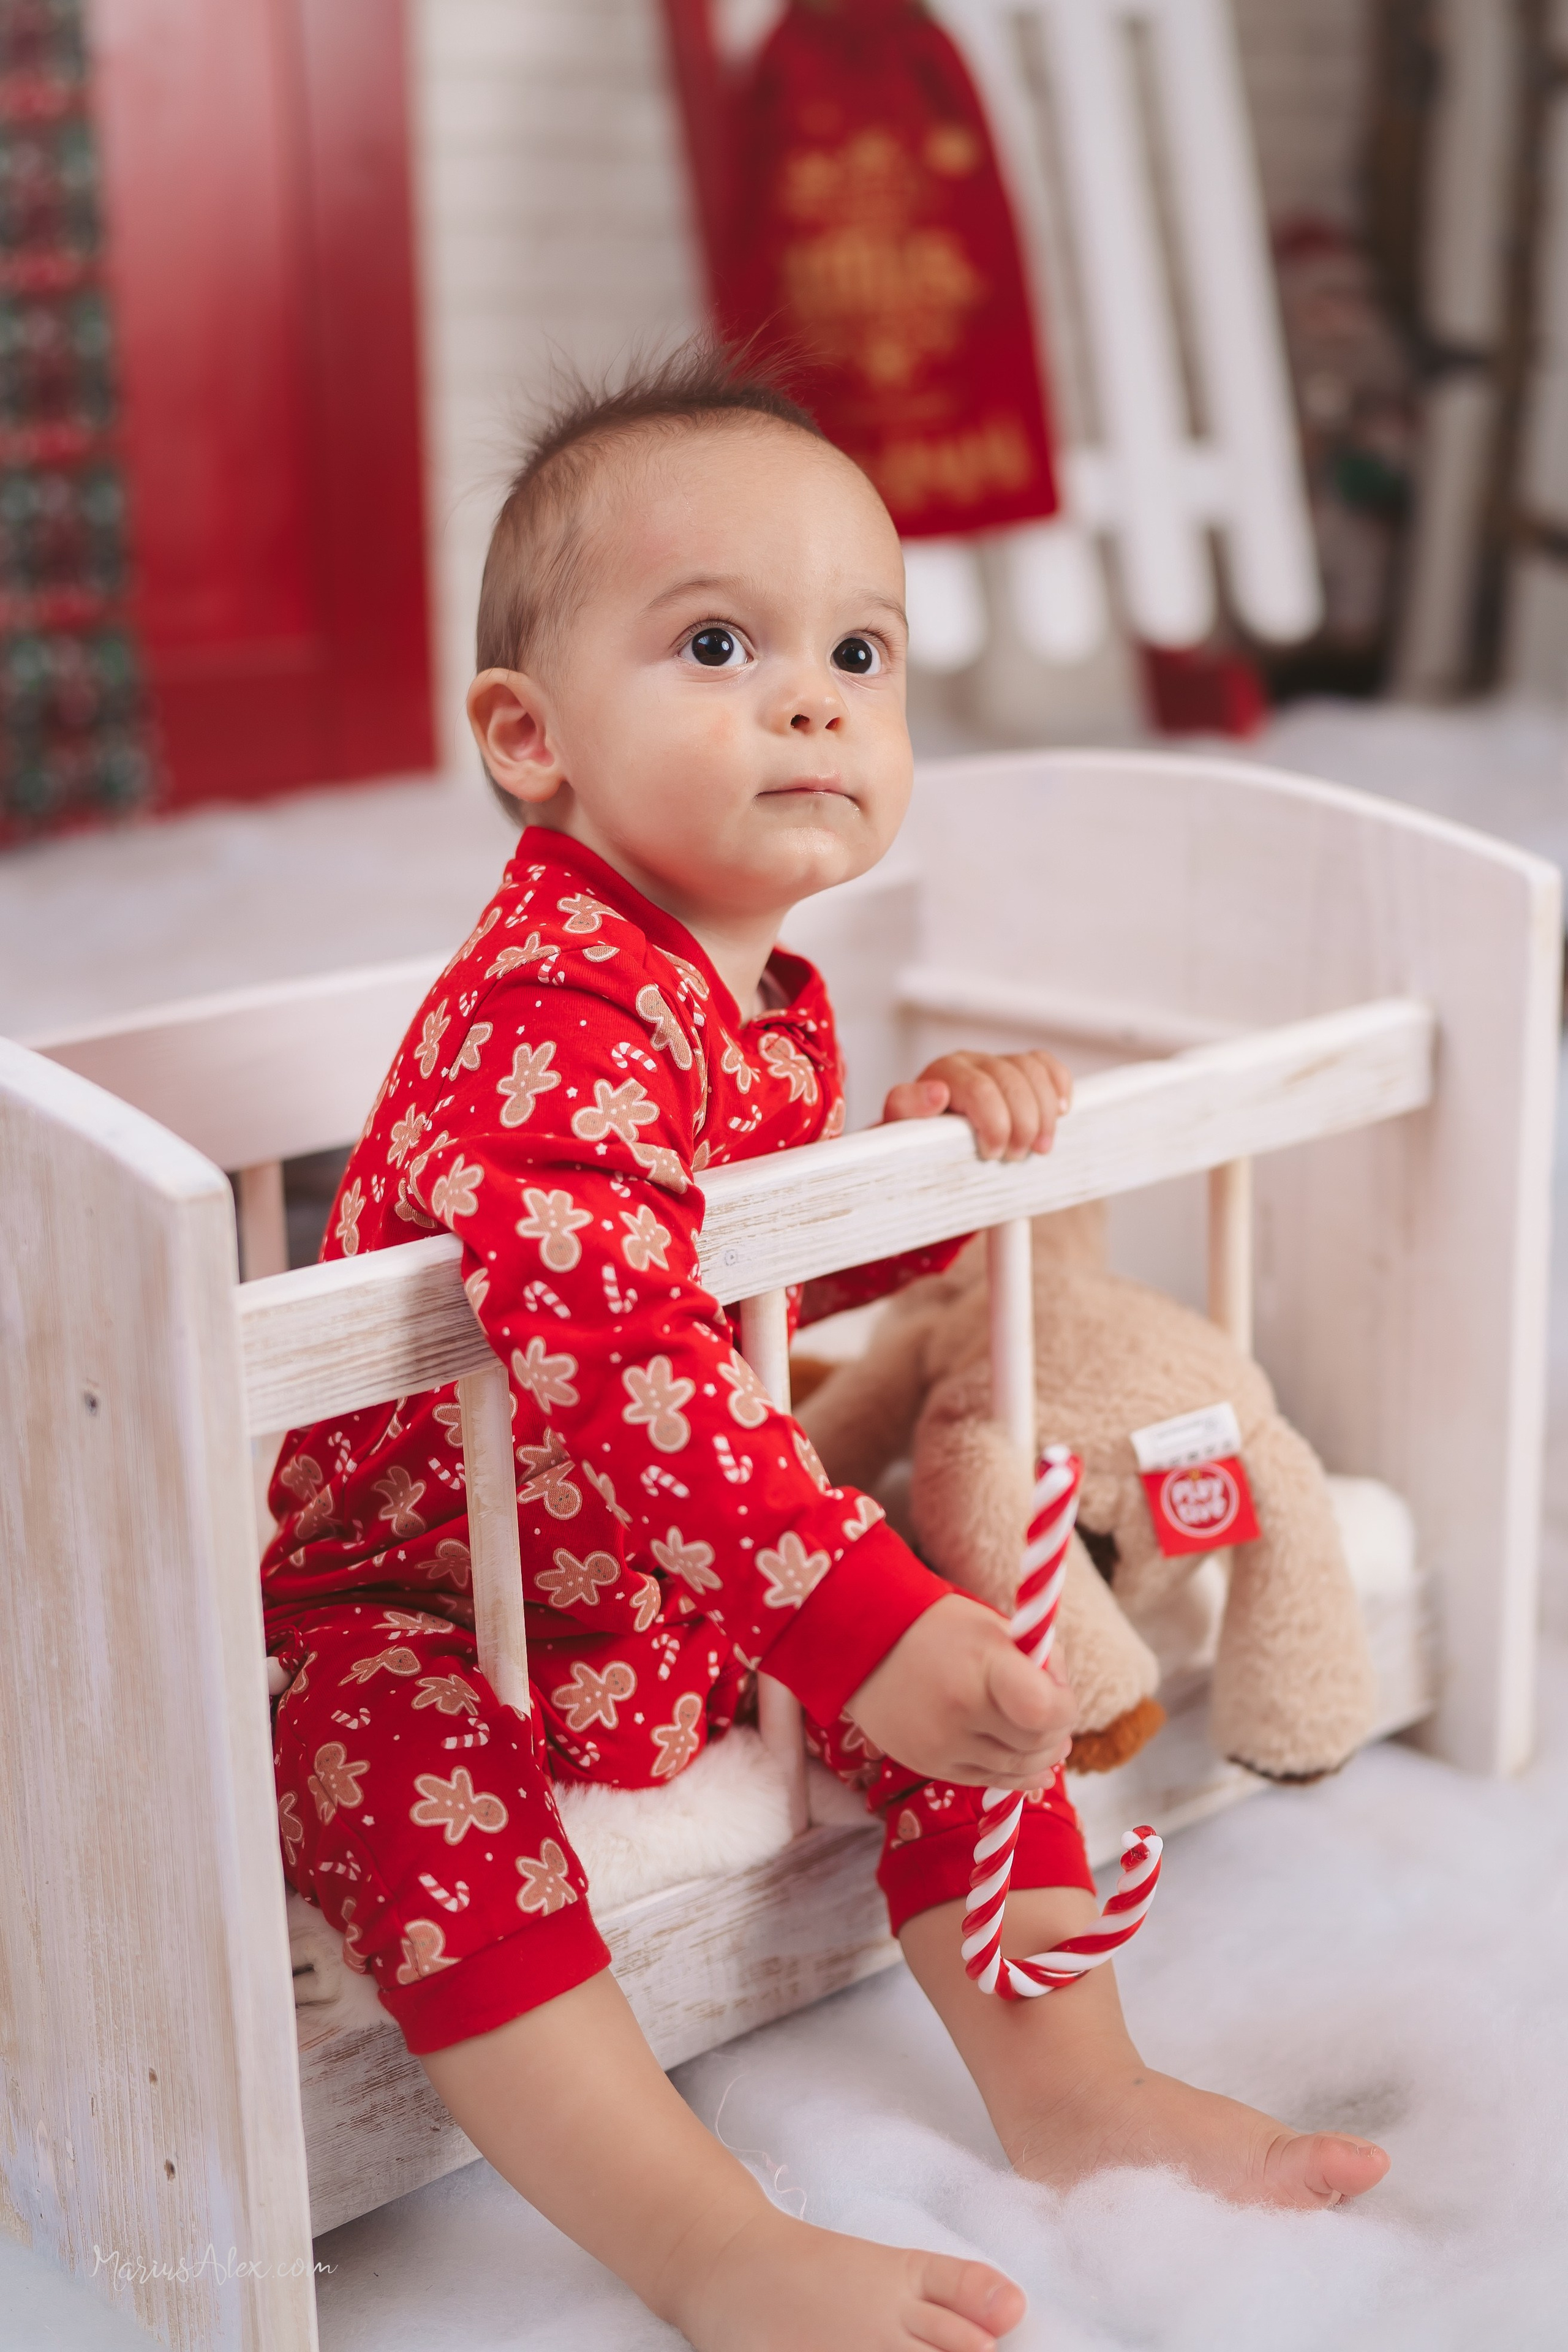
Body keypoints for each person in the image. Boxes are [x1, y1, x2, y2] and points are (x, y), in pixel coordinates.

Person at [263, 345, 1389, 2352]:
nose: (812, 697)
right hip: (425, 1589)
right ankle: (706, 2242)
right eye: (717, 641)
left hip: (642, 1560)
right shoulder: (554, 1011)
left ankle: (1084, 2095)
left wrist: (907, 1173)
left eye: (862, 654)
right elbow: (618, 1350)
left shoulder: (756, 995)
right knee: (431, 1810)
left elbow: (760, 1305)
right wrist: (846, 1617)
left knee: (968, 1661)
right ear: (530, 735)